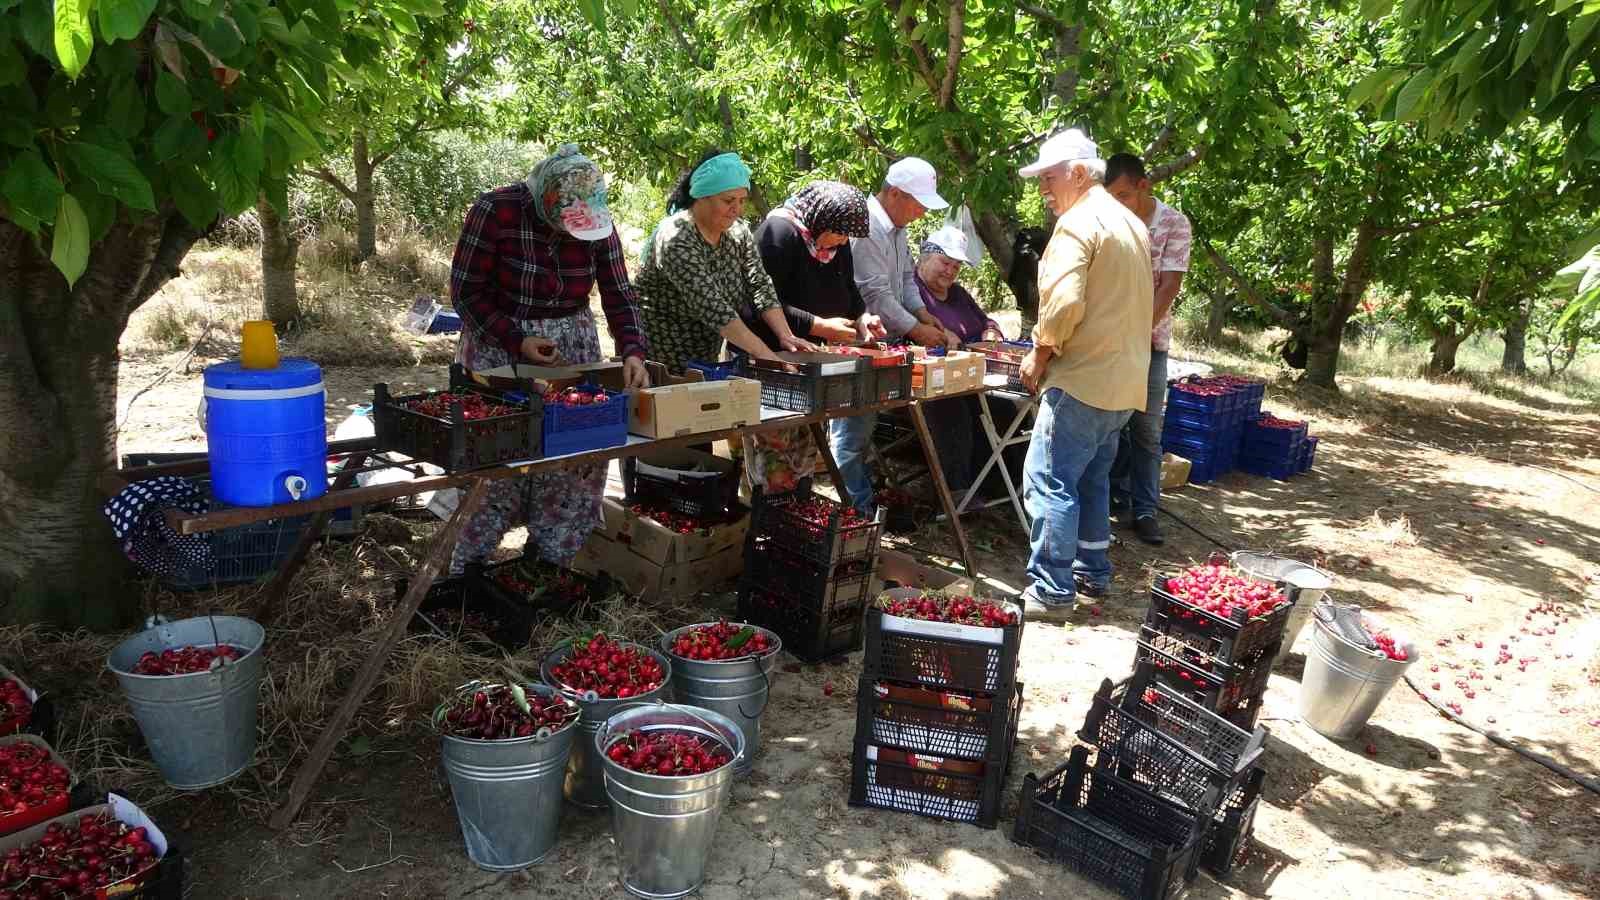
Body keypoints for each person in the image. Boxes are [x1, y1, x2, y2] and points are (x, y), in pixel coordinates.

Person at [446, 144, 651, 573]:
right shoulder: (496, 211)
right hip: (498, 346)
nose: (569, 234)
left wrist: (632, 349)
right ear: (543, 203)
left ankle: (549, 564)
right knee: (496, 458)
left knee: (575, 457)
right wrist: (517, 339)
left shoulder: (597, 220)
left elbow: (618, 293)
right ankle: (467, 570)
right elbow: (466, 292)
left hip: (571, 348)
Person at [1015, 129, 1153, 619]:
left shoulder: (1077, 224)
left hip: (1082, 378)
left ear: (1077, 173)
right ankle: (1093, 573)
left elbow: (1064, 303)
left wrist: (1041, 352)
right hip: (1123, 382)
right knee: (1092, 480)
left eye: (1048, 178)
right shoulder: (1129, 222)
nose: (1043, 190)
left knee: (1048, 479)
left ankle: (1051, 588)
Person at [834, 157, 959, 515]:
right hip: (858, 340)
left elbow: (905, 281)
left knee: (864, 427)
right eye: (917, 203)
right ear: (894, 193)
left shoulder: (897, 228)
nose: (920, 212)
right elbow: (875, 295)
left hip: (883, 342)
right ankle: (853, 514)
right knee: (850, 431)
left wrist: (925, 316)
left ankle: (861, 503)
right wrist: (919, 330)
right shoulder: (868, 227)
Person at [742, 181, 882, 492]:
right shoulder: (777, 235)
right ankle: (767, 516)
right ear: (821, 218)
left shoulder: (835, 242)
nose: (842, 240)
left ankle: (797, 508)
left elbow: (849, 289)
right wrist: (818, 326)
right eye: (839, 232)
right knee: (773, 447)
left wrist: (863, 319)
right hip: (767, 358)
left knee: (804, 450)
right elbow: (759, 303)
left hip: (808, 360)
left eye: (846, 236)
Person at [636, 149, 815, 373]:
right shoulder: (676, 238)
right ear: (702, 196)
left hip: (705, 363)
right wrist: (764, 354)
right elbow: (713, 308)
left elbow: (759, 285)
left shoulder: (738, 233)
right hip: (659, 363)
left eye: (741, 201)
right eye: (728, 200)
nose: (736, 210)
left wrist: (785, 335)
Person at [1105, 152, 1193, 547]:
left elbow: (1169, 286)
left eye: (1124, 194)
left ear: (1144, 186)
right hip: (1105, 343)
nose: (1117, 203)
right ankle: (1104, 499)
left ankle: (1144, 508)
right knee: (1106, 425)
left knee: (1145, 428)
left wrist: (1137, 332)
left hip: (1149, 343)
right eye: (1111, 196)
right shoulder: (1106, 220)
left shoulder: (1173, 223)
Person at [914, 225, 1004, 344]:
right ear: (925, 258)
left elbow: (985, 320)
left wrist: (992, 330)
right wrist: (942, 336)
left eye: (956, 266)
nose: (950, 271)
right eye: (945, 262)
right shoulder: (910, 289)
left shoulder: (957, 292)